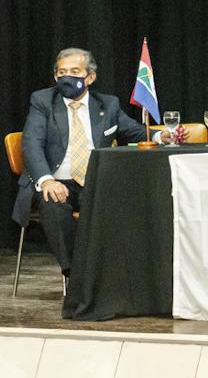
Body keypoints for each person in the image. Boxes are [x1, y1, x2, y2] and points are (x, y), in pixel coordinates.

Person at [13, 48, 174, 276]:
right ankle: (76, 276)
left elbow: (135, 131)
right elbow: (31, 143)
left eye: (75, 71)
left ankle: (126, 275)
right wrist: (47, 180)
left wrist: (160, 136)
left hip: (97, 180)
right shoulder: (42, 101)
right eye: (62, 72)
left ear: (90, 77)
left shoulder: (108, 104)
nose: (67, 77)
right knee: (52, 204)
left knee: (134, 198)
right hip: (57, 181)